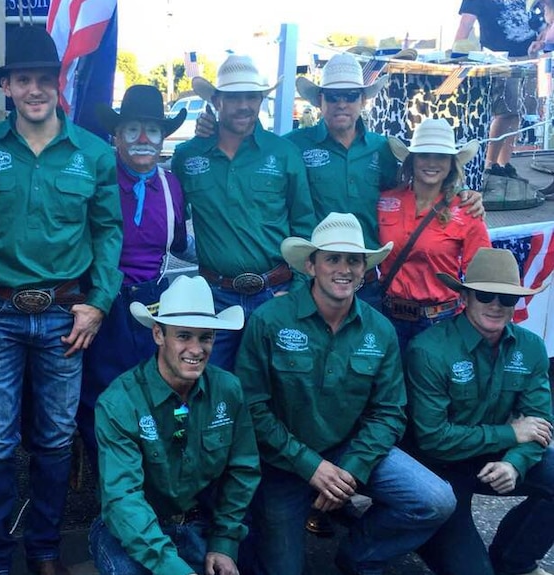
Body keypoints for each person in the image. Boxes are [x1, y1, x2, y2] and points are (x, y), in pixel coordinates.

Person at [0, 26, 123, 575]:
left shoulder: (94, 154)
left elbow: (107, 233)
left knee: (54, 441)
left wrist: (98, 303)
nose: (34, 89)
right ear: (6, 87)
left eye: (43, 79)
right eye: (22, 79)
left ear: (58, 84)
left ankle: (46, 550)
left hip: (64, 314)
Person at [235, 212, 456, 575]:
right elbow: (252, 407)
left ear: (365, 269)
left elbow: (389, 412)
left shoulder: (379, 329)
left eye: (354, 260)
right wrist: (311, 465)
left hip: (349, 449)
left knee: (436, 500)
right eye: (332, 258)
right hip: (284, 460)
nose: (344, 268)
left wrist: (351, 470)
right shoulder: (270, 320)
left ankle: (360, 555)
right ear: (311, 265)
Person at [196, 52, 483, 310]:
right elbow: (251, 151)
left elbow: (418, 184)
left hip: (367, 281)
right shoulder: (293, 146)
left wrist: (461, 192)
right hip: (316, 281)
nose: (341, 103)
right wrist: (215, 130)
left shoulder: (381, 149)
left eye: (350, 95)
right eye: (333, 96)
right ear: (320, 100)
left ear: (363, 99)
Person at [90, 275, 260, 575]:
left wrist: (224, 542)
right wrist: (172, 568)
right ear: (158, 334)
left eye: (205, 337)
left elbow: (242, 469)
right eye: (184, 336)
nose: (196, 349)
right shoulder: (119, 401)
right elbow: (123, 499)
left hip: (202, 523)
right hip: (133, 528)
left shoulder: (228, 389)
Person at [405, 248, 554, 575]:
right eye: (486, 294)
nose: (496, 305)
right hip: (441, 469)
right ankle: (420, 532)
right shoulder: (428, 350)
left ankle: (514, 561)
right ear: (466, 297)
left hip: (498, 458)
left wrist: (514, 463)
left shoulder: (530, 346)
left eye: (507, 298)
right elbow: (432, 439)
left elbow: (540, 423)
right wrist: (511, 433)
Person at [172, 53, 315, 371]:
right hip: (214, 297)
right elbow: (170, 222)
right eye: (234, 97)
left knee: (278, 388)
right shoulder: (187, 156)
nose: (244, 105)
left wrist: (296, 291)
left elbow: (304, 225)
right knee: (211, 389)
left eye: (252, 96)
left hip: (275, 293)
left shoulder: (284, 154)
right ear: (217, 100)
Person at [77, 84, 192, 469]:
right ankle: (110, 480)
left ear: (163, 138)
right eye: (132, 130)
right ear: (116, 135)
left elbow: (176, 244)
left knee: (161, 390)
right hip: (104, 302)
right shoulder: (98, 176)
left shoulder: (170, 185)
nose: (143, 140)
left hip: (154, 300)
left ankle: (159, 479)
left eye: (152, 131)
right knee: (100, 395)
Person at [378, 118, 491, 349]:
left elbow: (481, 274)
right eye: (424, 155)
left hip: (439, 321)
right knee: (388, 384)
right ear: (411, 161)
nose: (432, 162)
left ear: (451, 163)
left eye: (440, 156)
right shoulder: (386, 200)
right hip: (388, 316)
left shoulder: (467, 209)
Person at [455, 0, 543, 178]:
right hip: (499, 60)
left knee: (518, 112)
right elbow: (466, 23)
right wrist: (457, 55)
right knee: (505, 112)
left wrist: (542, 40)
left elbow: (540, 21)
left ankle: (504, 163)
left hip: (529, 58)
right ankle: (490, 164)